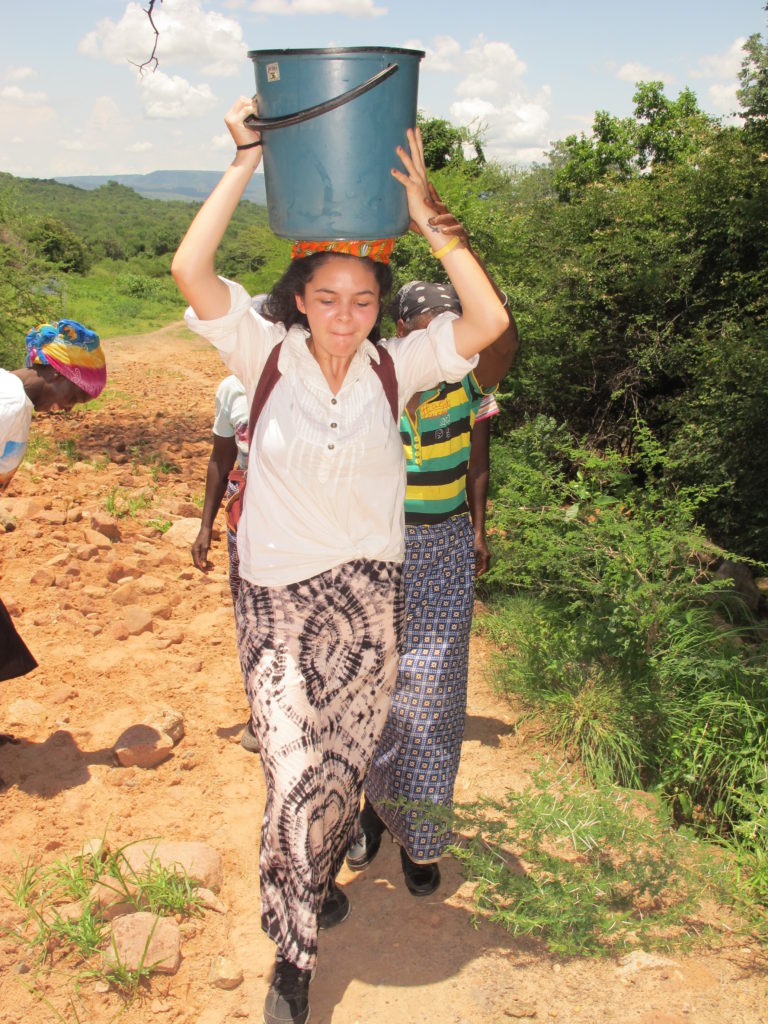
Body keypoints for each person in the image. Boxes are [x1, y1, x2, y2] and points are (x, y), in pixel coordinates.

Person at [170, 94, 508, 1024]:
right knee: (291, 762)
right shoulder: (260, 353)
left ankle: (315, 870)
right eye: (328, 298)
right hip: (277, 597)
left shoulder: (399, 367)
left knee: (342, 760)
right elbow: (189, 267)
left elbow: (485, 322)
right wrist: (244, 161)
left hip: (368, 596)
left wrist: (432, 222)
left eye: (363, 300)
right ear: (299, 300)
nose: (347, 315)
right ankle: (293, 955)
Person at [346, 272, 517, 896]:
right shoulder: (372, 383)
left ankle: (421, 837)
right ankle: (371, 812)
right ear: (401, 334)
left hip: (442, 550)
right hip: (373, 554)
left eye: (457, 327)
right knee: (370, 693)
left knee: (435, 705)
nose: (450, 342)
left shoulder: (469, 385)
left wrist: (456, 243)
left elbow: (501, 342)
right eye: (432, 330)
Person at [1, 319, 106, 688]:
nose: (66, 409)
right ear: (55, 371)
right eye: (73, 396)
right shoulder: (10, 404)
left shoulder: (15, 399)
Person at [191, 374, 259, 753]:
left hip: (299, 512)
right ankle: (261, 710)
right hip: (244, 511)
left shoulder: (307, 369)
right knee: (249, 613)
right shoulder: (233, 387)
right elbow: (220, 457)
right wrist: (206, 525)